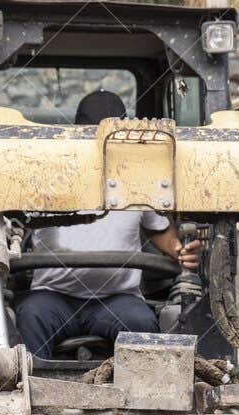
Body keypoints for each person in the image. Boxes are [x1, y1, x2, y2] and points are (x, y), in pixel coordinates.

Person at [14, 89, 200, 358]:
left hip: (117, 299)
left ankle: (145, 397)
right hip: (53, 296)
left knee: (142, 325)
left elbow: (157, 227)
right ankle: (33, 390)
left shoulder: (139, 179)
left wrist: (178, 250)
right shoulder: (46, 180)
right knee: (30, 317)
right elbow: (14, 227)